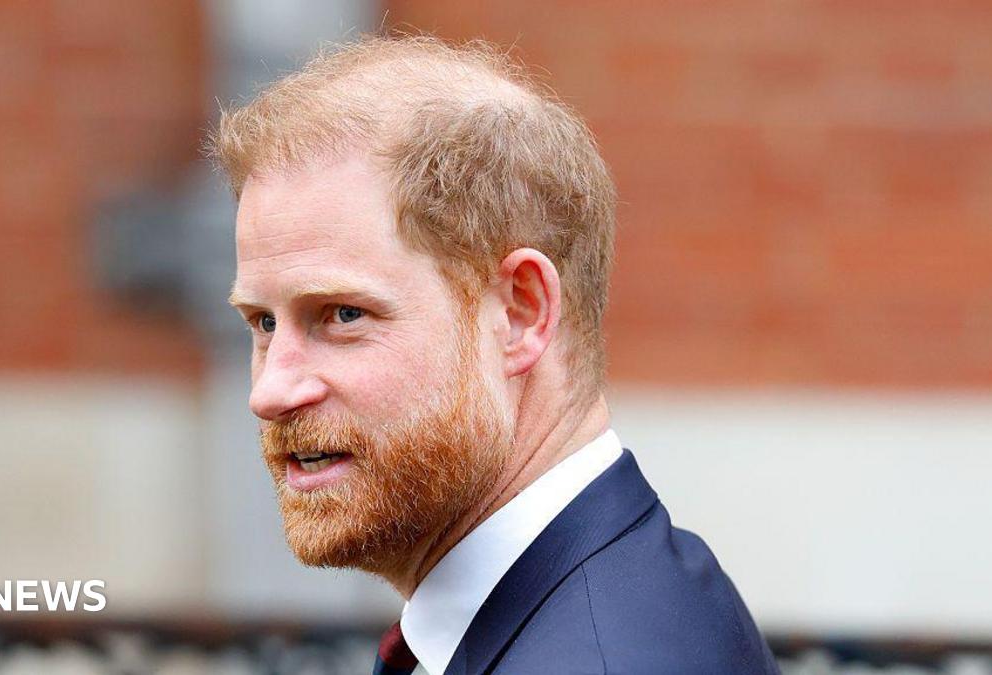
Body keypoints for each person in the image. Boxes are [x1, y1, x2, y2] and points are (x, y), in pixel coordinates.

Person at [211, 34, 779, 675]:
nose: (269, 392)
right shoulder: (605, 599)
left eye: (344, 315)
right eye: (262, 322)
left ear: (520, 313)